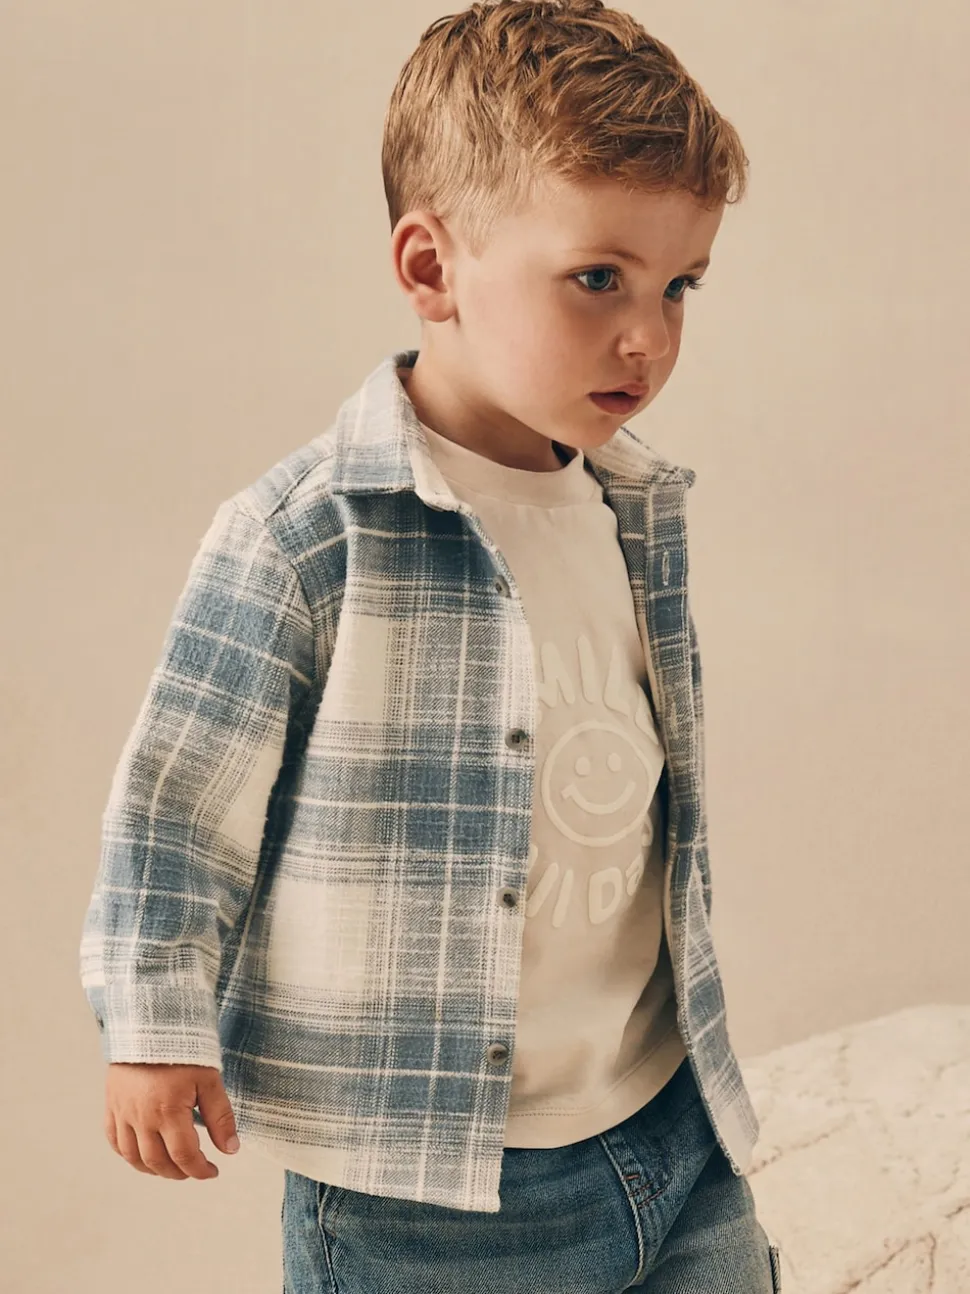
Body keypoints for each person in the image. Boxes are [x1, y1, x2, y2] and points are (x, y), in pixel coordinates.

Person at [79, 1, 783, 1289]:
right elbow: (180, 801)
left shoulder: (633, 511)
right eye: (600, 279)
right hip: (422, 1192)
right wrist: (154, 1024)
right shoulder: (308, 534)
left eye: (679, 286)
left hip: (666, 1121)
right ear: (431, 268)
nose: (649, 336)